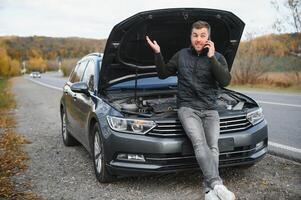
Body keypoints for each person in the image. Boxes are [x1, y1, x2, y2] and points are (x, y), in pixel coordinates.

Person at [146, 20, 235, 200]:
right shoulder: (181, 55)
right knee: (199, 143)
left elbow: (225, 81)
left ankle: (209, 190)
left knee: (213, 147)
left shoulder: (217, 57)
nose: (198, 39)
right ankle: (217, 184)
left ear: (208, 37)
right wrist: (157, 53)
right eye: (195, 35)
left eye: (203, 35)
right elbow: (163, 73)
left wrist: (211, 58)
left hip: (210, 108)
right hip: (187, 107)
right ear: (191, 36)